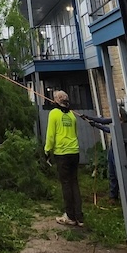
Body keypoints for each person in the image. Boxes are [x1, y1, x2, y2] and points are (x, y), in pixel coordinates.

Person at [44, 89, 84, 226]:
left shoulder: (54, 114)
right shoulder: (72, 116)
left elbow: (50, 134)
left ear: (56, 100)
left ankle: (70, 216)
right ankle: (79, 216)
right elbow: (75, 133)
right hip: (74, 152)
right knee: (74, 183)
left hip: (62, 153)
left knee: (66, 184)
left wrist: (47, 150)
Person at [83, 113, 119, 200]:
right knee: (112, 172)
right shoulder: (116, 119)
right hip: (112, 148)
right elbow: (103, 121)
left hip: (118, 149)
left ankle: (119, 194)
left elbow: (107, 129)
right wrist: (88, 117)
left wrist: (96, 125)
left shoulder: (121, 126)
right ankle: (113, 196)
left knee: (117, 171)